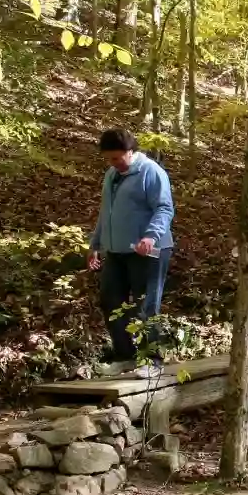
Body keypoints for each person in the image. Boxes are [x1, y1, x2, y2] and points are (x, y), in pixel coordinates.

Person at [88, 129, 175, 377]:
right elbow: (107, 213)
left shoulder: (151, 172)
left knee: (145, 305)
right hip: (116, 250)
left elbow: (164, 208)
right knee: (110, 300)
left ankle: (153, 360)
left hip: (149, 250)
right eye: (108, 159)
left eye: (116, 158)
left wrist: (151, 236)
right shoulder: (112, 175)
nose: (112, 163)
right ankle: (125, 356)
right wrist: (95, 244)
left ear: (130, 151)